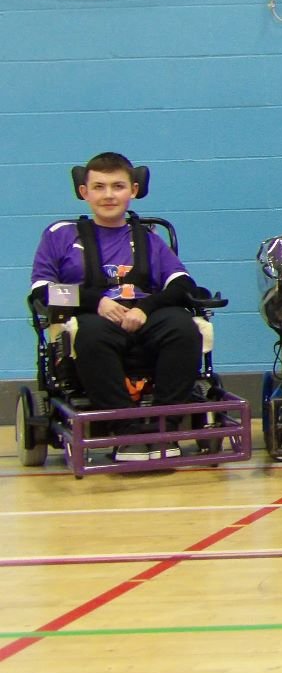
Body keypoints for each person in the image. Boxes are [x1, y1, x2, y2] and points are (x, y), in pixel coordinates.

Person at [31, 152, 204, 457]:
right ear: (84, 192)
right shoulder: (59, 236)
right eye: (99, 187)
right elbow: (43, 291)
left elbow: (181, 283)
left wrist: (145, 308)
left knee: (183, 328)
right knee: (91, 334)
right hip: (93, 319)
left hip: (143, 315)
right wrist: (95, 301)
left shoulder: (149, 238)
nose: (108, 195)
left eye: (117, 186)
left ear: (133, 191)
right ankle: (126, 432)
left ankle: (165, 430)